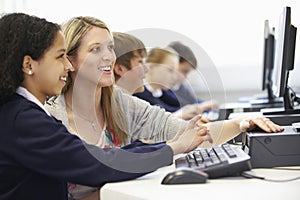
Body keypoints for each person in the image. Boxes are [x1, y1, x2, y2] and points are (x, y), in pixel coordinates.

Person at [45, 17, 283, 199]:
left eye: (111, 47)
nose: (109, 56)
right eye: (96, 49)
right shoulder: (50, 114)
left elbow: (182, 133)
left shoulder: (119, 102)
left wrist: (240, 124)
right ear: (70, 59)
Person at [0, 13, 212, 200]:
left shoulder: (24, 112)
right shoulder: (22, 119)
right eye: (59, 57)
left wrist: (169, 145)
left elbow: (100, 154)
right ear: (28, 65)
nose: (67, 65)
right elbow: (97, 161)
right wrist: (173, 148)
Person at [133, 47, 215, 120]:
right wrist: (180, 115)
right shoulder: (137, 95)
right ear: (150, 67)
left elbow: (172, 110)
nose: (175, 77)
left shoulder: (162, 93)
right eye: (170, 70)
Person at [167, 41, 219, 109]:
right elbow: (180, 110)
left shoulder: (180, 87)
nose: (185, 77)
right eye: (184, 71)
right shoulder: (163, 90)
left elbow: (193, 101)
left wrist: (208, 104)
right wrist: (203, 106)